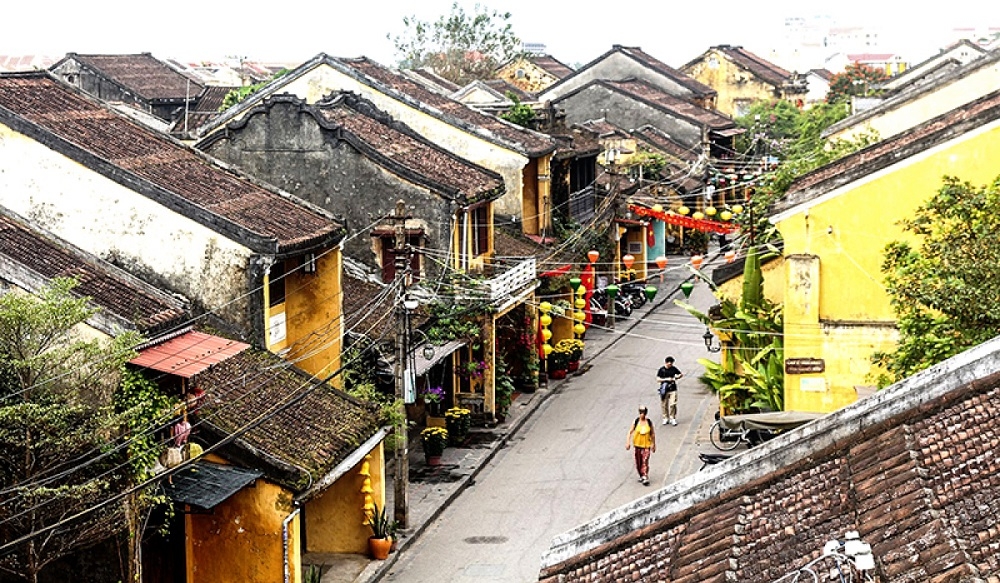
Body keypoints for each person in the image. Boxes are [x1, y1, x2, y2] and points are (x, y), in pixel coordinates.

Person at [626, 406, 656, 485]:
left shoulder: (649, 422)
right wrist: (628, 442)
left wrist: (653, 444)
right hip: (637, 445)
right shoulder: (636, 421)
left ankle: (645, 476)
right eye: (640, 413)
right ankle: (641, 475)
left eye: (643, 413)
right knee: (638, 462)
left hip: (646, 445)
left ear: (645, 413)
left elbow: (652, 434)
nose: (641, 415)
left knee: (645, 460)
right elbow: (630, 432)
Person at [656, 356, 684, 425]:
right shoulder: (661, 370)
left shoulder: (673, 369)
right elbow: (658, 379)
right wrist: (666, 379)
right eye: (669, 364)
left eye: (671, 363)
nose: (670, 365)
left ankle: (672, 417)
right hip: (664, 389)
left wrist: (676, 377)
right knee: (664, 404)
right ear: (666, 363)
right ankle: (665, 417)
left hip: (673, 389)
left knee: (673, 404)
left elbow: (680, 374)